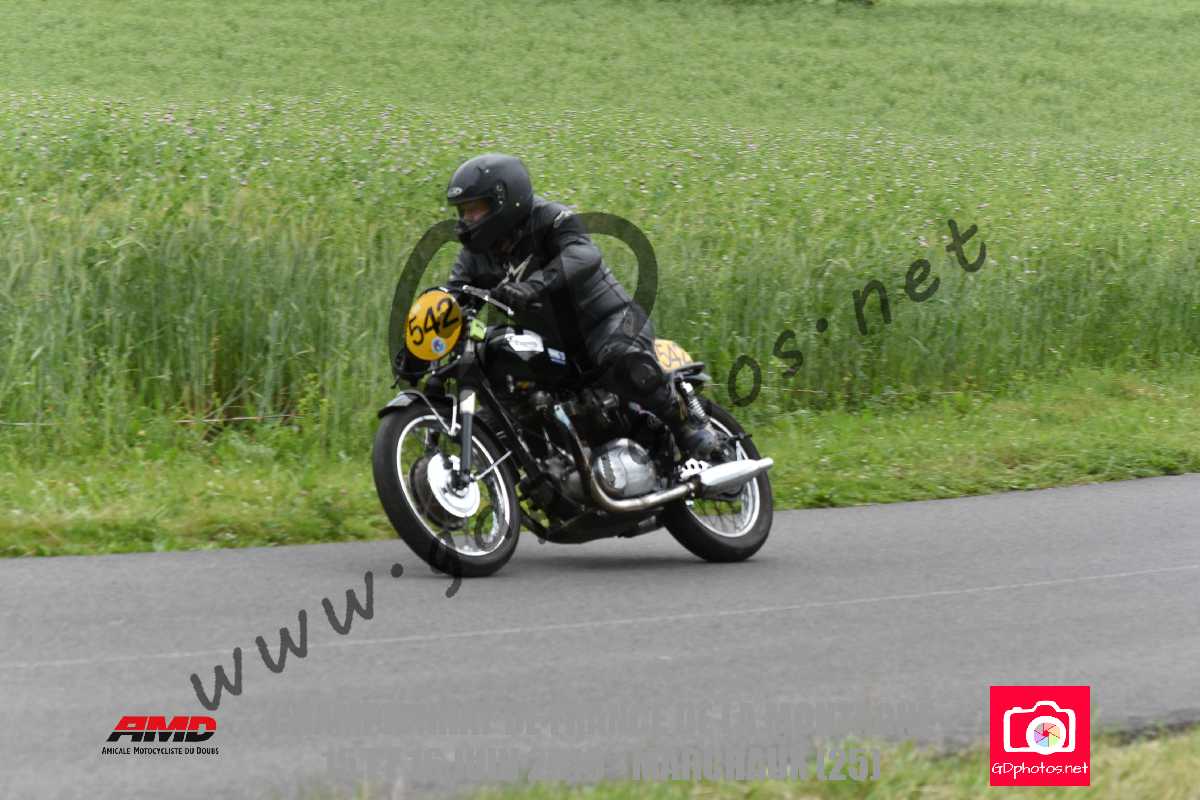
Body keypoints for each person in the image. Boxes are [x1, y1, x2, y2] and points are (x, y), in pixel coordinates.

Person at [441, 152, 719, 460]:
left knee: (619, 356)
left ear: (504, 201)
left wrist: (535, 285)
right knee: (504, 388)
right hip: (555, 346)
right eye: (463, 212)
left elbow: (583, 254)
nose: (466, 220)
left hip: (611, 319)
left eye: (474, 210)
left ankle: (688, 424)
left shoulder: (550, 218)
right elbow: (453, 295)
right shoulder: (475, 255)